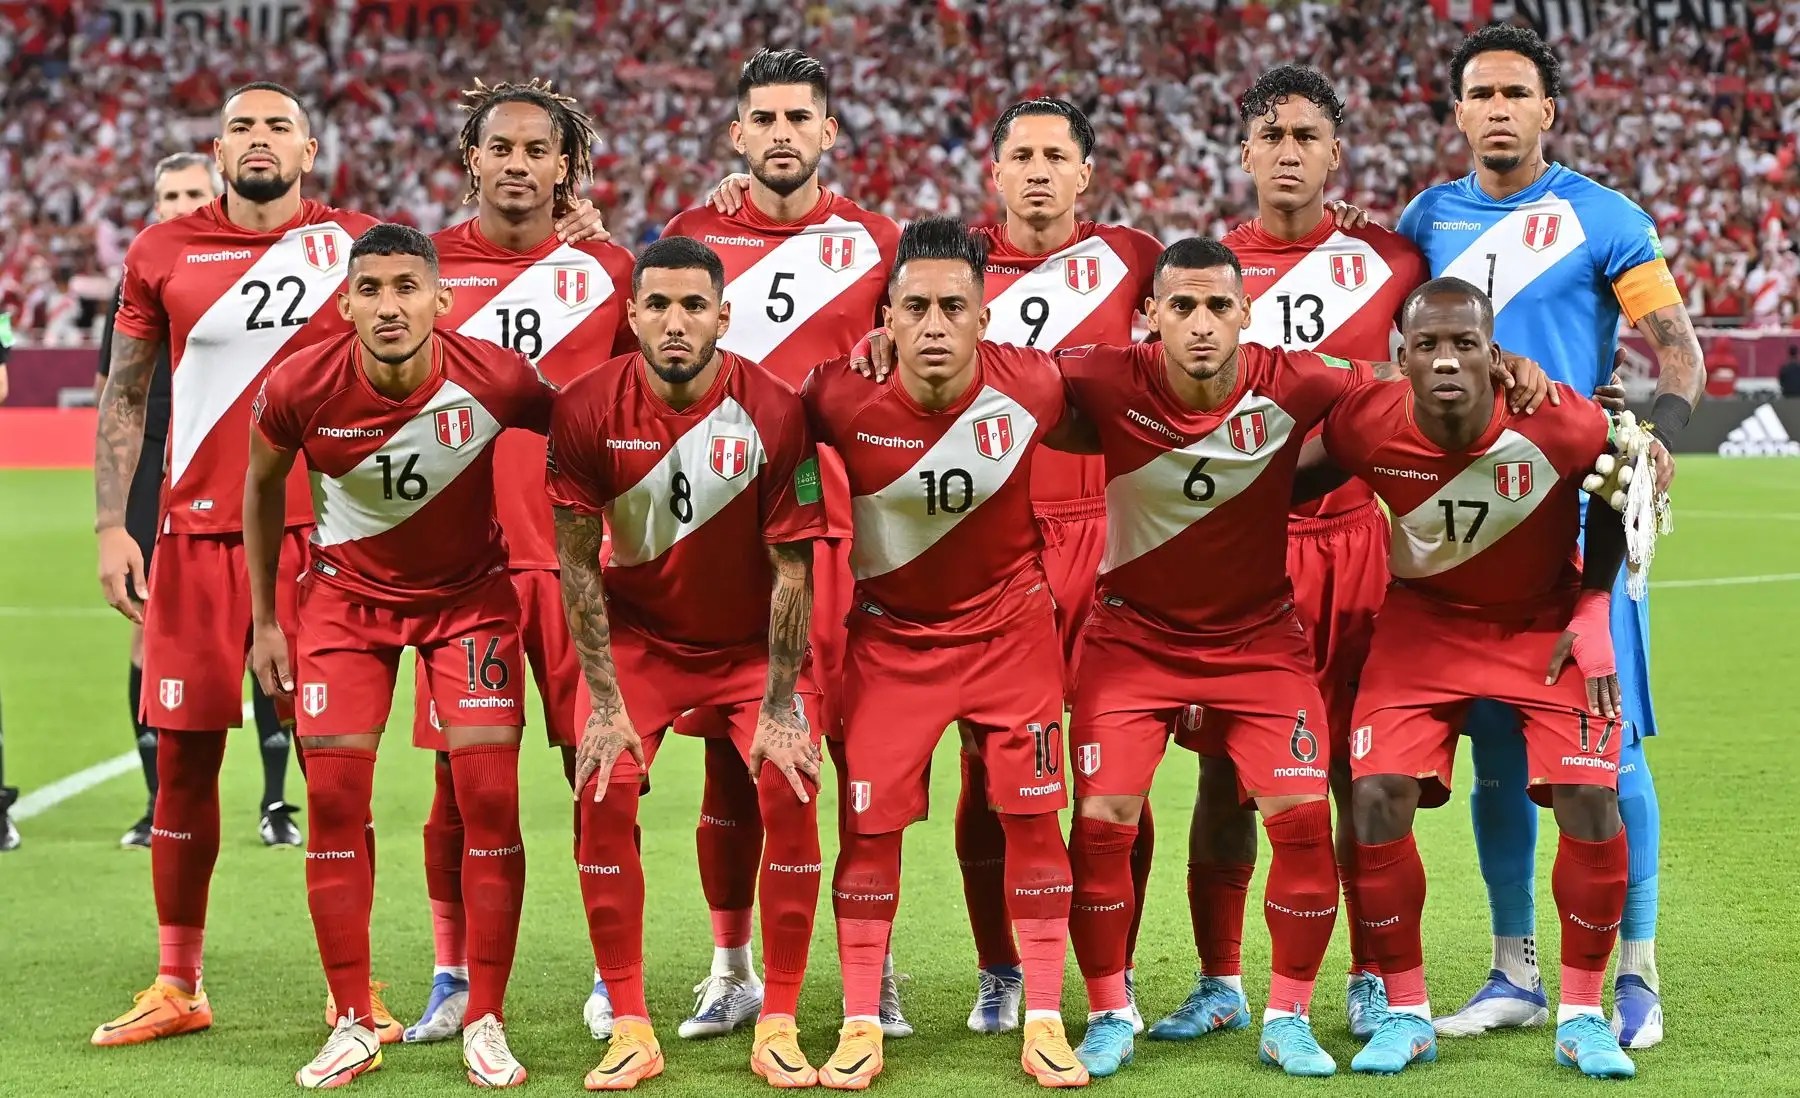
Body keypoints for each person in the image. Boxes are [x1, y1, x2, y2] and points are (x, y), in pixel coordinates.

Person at [89, 80, 606, 1050]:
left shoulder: (355, 242)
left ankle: (370, 993)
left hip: (337, 539)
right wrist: (111, 524)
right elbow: (123, 394)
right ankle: (179, 978)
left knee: (355, 774)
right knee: (190, 756)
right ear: (217, 148)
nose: (259, 139)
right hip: (205, 531)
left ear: (311, 149)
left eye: (278, 125)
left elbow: (463, 253)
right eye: (241, 126)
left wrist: (573, 225)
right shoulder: (162, 249)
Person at [1055, 238, 1546, 1079]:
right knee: (1103, 821)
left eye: (1218, 307)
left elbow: (1409, 375)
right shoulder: (1104, 376)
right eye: (1182, 307)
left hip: (1257, 641)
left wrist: (1507, 367)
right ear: (1151, 316)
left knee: (1304, 818)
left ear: (1247, 314)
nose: (1201, 324)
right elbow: (991, 377)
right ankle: (1109, 1013)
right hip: (1131, 639)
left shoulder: (1296, 377)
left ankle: (1287, 1017)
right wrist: (886, 350)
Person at [1395, 24, 1699, 1047]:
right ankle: (1514, 970)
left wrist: (1658, 434)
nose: (1497, 109)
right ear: (1457, 113)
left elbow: (1679, 353)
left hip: (1584, 516)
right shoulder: (1425, 220)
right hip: (1472, 524)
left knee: (1612, 750)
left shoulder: (1603, 217)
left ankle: (1638, 970)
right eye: (1480, 94)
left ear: (1547, 111)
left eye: (1515, 93)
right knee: (1494, 747)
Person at [1151, 65, 1427, 1044]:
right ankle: (1220, 980)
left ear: (1335, 154)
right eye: (1271, 135)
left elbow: (1445, 354)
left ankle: (1369, 975)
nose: (1288, 152)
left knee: (1358, 771)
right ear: (1243, 152)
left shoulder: (1391, 259)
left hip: (1355, 545)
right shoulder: (1206, 270)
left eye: (1307, 136)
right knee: (1224, 775)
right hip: (1242, 550)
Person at [246, 223, 553, 1089]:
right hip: (344, 604)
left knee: (490, 797)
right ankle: (352, 1020)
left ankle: (485, 1019)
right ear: (345, 304)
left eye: (406, 288)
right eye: (371, 290)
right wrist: (266, 622)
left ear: (441, 299)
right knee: (334, 799)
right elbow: (260, 487)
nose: (389, 306)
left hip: (470, 602)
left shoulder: (497, 377)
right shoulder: (299, 386)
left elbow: (587, 426)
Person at [1320, 277, 1638, 1079]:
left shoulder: (1557, 418)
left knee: (1591, 796)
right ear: (1402, 359)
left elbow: (1618, 481)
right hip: (1422, 623)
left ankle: (1582, 1017)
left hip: (1543, 624)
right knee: (1374, 794)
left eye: (1464, 343)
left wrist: (1595, 603)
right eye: (1427, 345)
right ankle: (1407, 1012)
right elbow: (1288, 482)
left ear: (1494, 355)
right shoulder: (1364, 422)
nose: (1445, 360)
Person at [803, 217, 1091, 1089]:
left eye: (953, 308)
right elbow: (775, 451)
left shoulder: (1035, 383)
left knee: (1034, 819)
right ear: (886, 317)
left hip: (1012, 636)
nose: (934, 325)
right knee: (869, 828)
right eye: (916, 308)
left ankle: (1045, 1018)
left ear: (983, 316)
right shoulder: (836, 397)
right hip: (892, 643)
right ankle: (861, 1021)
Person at [662, 47, 906, 1040]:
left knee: (852, 751)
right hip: (714, 531)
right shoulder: (690, 235)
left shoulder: (877, 243)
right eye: (762, 119)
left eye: (798, 118)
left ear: (828, 132)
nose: (780, 134)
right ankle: (731, 970)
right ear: (736, 134)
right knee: (730, 761)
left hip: (837, 528)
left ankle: (871, 970)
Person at [546, 236, 826, 1090]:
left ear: (723, 317)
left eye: (694, 306)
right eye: (659, 306)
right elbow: (577, 566)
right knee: (602, 786)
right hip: (642, 642)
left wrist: (778, 709)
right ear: (631, 315)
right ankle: (630, 1024)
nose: (676, 322)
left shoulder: (775, 409)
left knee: (791, 785)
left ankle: (777, 1020)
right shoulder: (585, 409)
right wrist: (604, 706)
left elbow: (793, 571)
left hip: (750, 648)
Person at [401, 78, 637, 1046]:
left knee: (604, 776)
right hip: (466, 570)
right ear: (473, 158)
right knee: (459, 791)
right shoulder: (421, 271)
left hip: (582, 562)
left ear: (564, 165)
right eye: (500, 148)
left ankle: (611, 977)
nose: (517, 164)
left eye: (538, 150)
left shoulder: (610, 269)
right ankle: (452, 976)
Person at [95, 150, 303, 851]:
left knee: (274, 634)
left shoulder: (259, 264)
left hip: (250, 470)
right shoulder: (146, 272)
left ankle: (275, 801)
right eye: (170, 196)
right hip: (160, 468)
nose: (182, 205)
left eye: (193, 193)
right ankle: (156, 800)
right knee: (146, 630)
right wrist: (112, 514)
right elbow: (114, 389)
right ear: (155, 206)